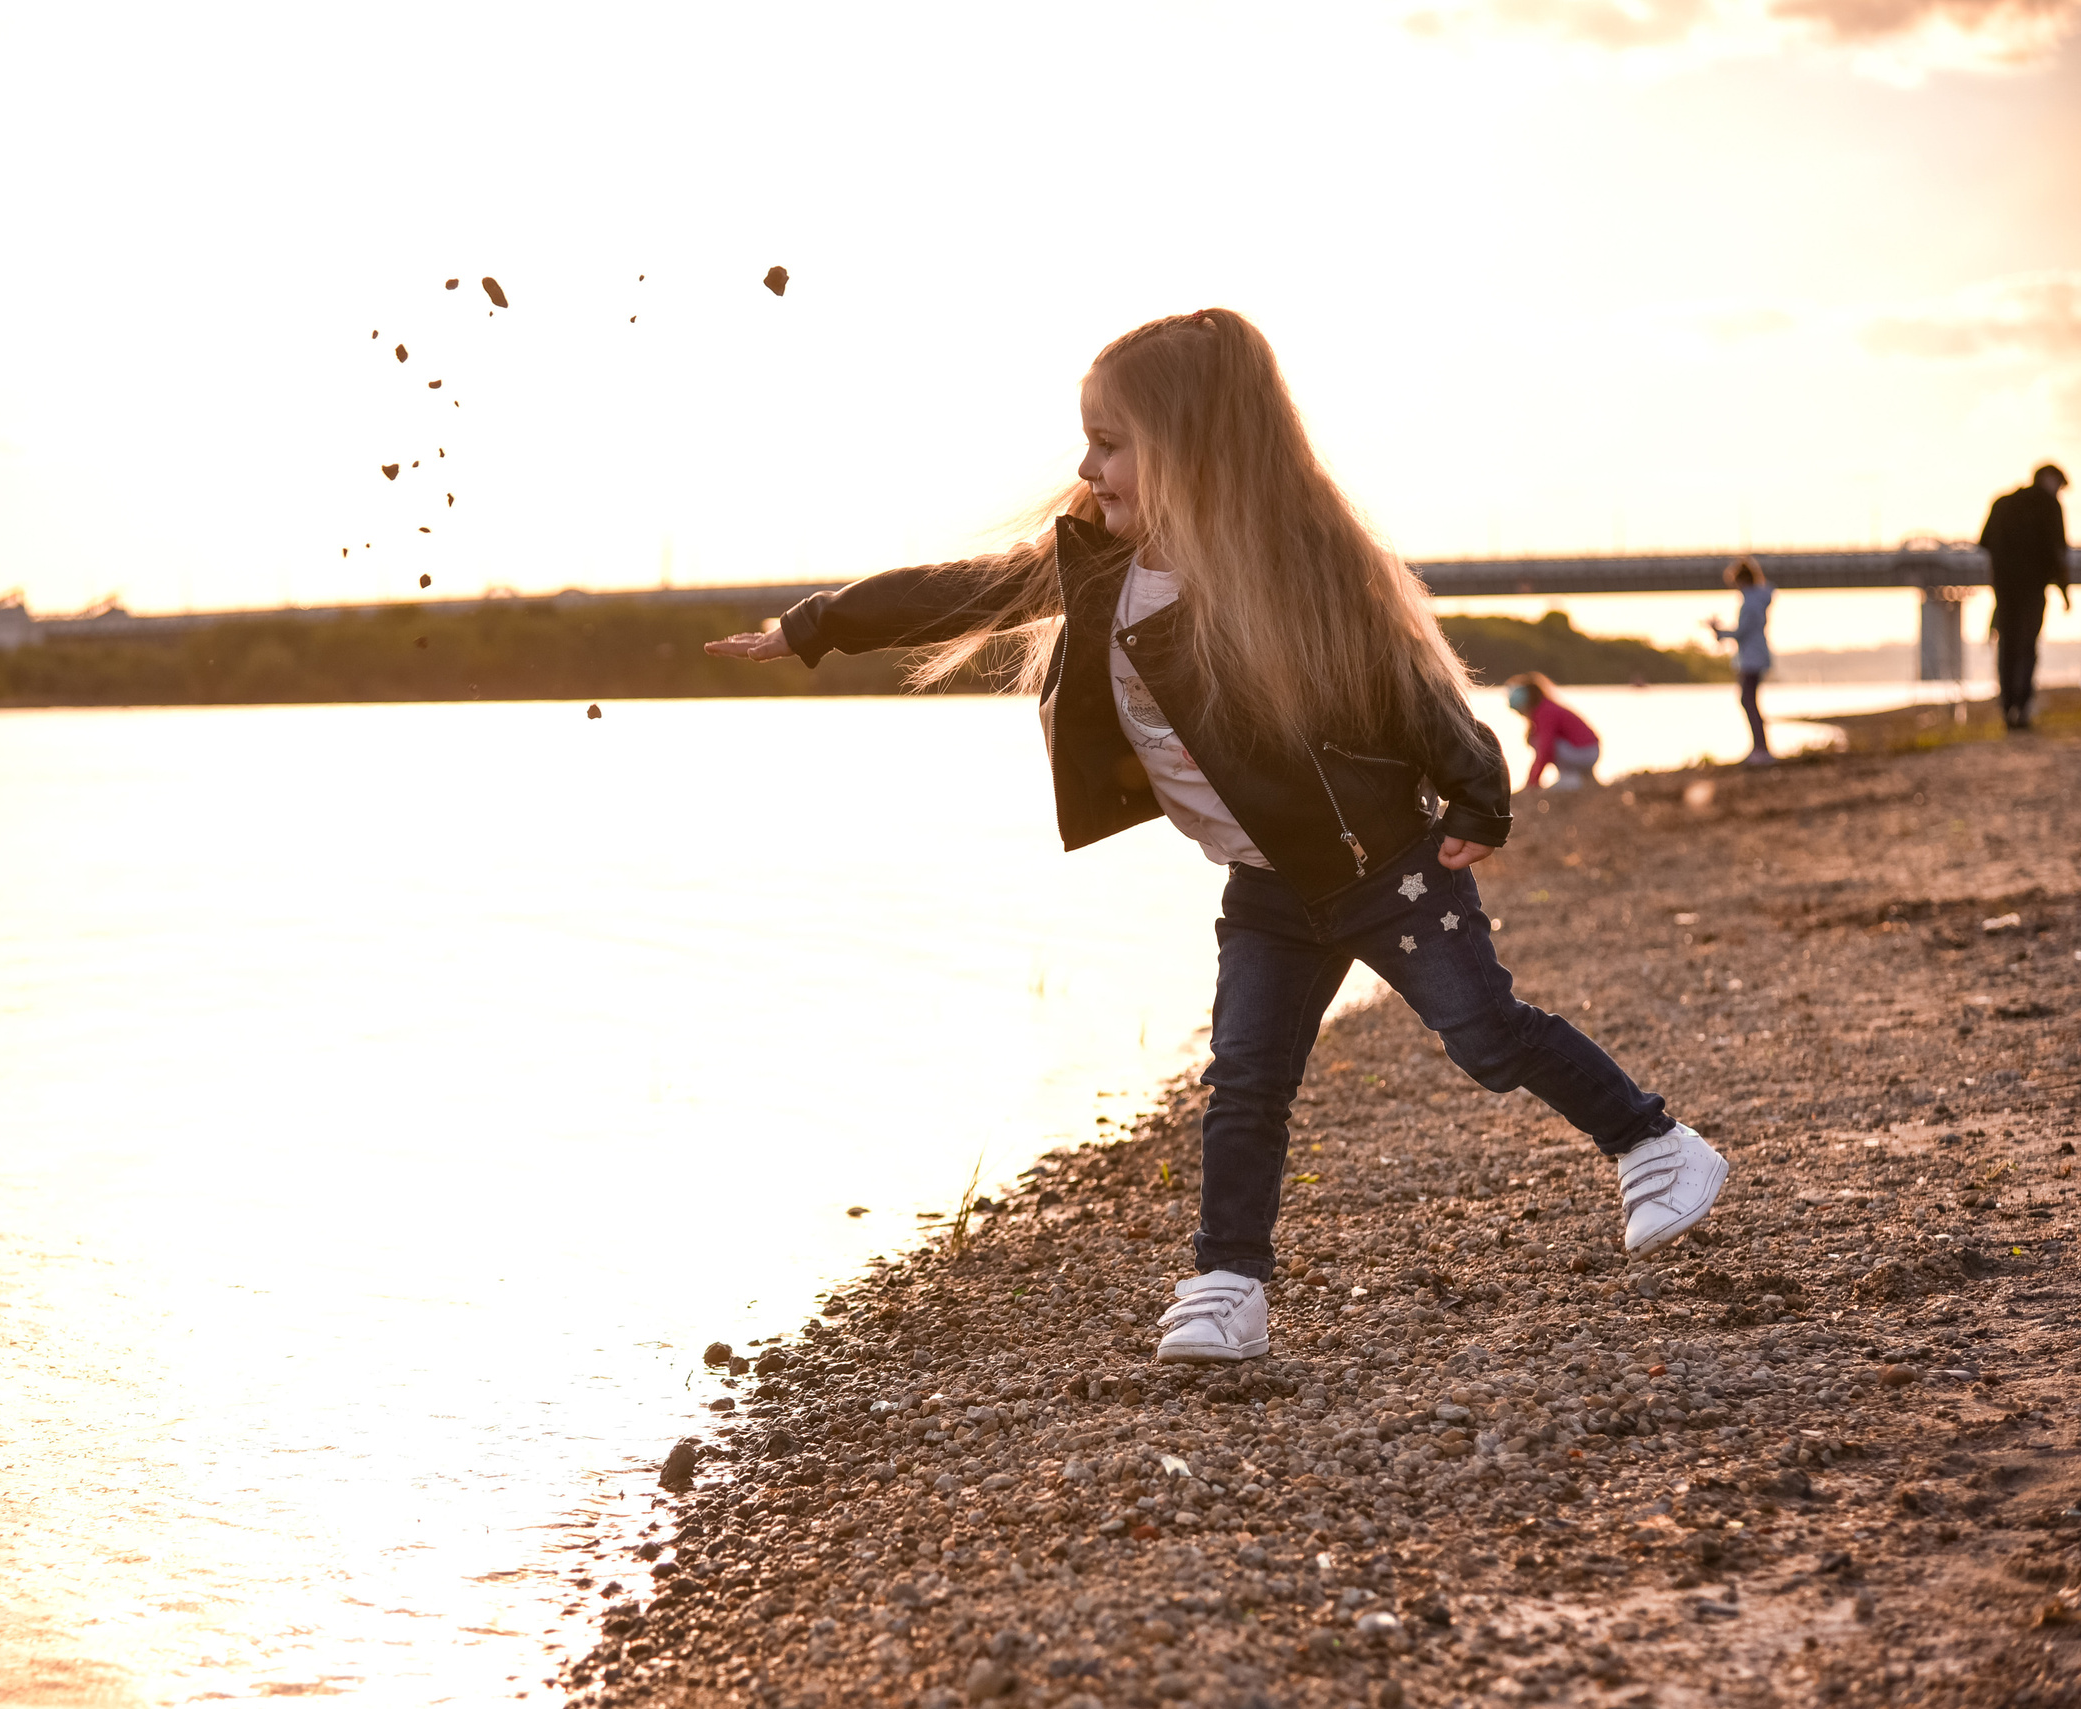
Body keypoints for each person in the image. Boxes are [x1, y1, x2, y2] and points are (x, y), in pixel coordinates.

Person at [704, 309, 1726, 1365]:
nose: (1088, 465)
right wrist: (817, 624)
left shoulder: (1293, 563)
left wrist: (1476, 793)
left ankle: (1656, 1144)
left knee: (1485, 1034)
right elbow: (959, 591)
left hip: (1383, 865)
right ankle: (1228, 1282)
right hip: (1268, 881)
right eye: (1088, 438)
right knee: (1243, 1078)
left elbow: (1406, 679)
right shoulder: (1094, 561)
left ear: (1191, 449)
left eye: (1110, 441)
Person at [1979, 464, 2070, 730]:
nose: (2059, 493)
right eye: (2059, 486)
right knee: (2028, 646)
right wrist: (2064, 591)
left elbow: (1984, 542)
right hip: (2032, 589)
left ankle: (2007, 707)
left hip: (2005, 590)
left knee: (2007, 645)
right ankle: (2023, 706)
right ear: (2049, 479)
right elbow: (2058, 552)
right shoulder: (2050, 506)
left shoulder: (2002, 503)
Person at [1706, 557, 1773, 765]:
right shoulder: (1757, 599)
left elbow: (1742, 632)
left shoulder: (1751, 602)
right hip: (1755, 656)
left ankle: (1761, 750)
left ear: (1742, 580)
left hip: (1752, 658)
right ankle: (1759, 747)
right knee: (1750, 701)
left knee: (1748, 701)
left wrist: (1719, 632)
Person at [1504, 673, 1600, 791]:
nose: (1522, 715)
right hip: (1590, 751)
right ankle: (1583, 777)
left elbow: (1545, 749)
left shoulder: (1545, 712)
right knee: (1537, 739)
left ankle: (1571, 779)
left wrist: (1532, 782)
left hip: (1585, 753)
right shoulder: (1546, 707)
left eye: (1520, 711)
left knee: (1537, 741)